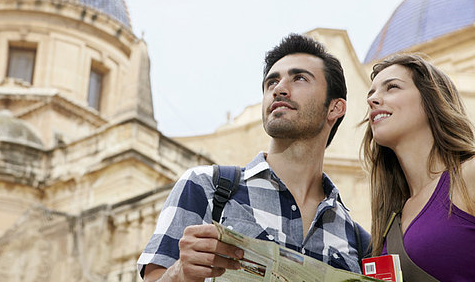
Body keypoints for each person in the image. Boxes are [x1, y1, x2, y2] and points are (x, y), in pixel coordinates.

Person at [138, 33, 370, 281]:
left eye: (299, 78)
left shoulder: (358, 240)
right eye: (272, 82)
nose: (279, 89)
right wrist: (179, 272)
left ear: (335, 107)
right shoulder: (206, 187)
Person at [363, 54, 475, 281]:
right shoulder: (391, 214)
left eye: (392, 87)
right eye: (371, 93)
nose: (373, 99)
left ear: (431, 100)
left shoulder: (469, 176)